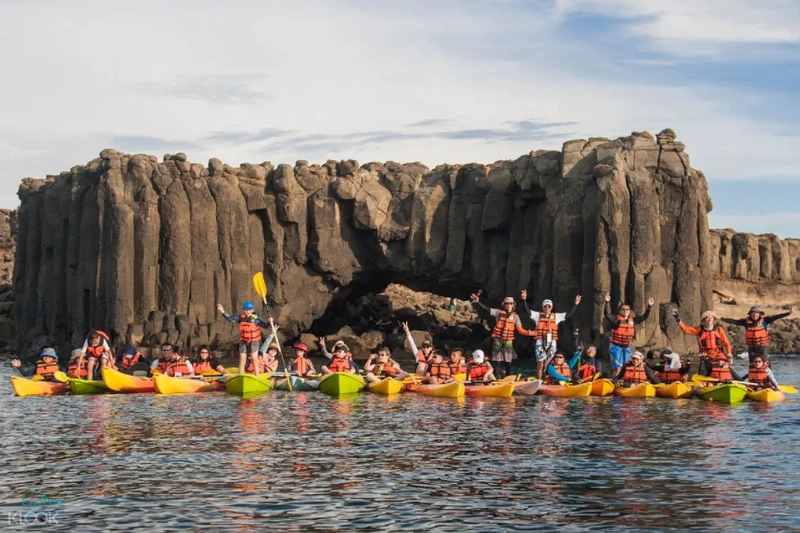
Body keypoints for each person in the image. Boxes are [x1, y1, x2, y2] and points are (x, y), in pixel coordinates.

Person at [469, 293, 536, 379]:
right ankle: (497, 378)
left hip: (508, 340)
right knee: (497, 361)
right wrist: (478, 302)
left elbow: (520, 330)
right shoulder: (498, 313)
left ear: (513, 305)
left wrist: (529, 333)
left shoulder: (515, 317)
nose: (509, 305)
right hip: (498, 339)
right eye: (507, 303)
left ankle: (508, 378)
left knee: (508, 362)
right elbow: (487, 310)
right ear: (504, 305)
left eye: (511, 303)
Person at [521, 290, 582, 381]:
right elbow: (528, 312)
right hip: (540, 341)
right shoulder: (538, 316)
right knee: (540, 363)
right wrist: (524, 300)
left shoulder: (556, 316)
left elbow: (568, 314)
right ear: (542, 307)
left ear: (551, 307)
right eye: (545, 306)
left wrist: (575, 304)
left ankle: (547, 378)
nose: (547, 308)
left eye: (549, 306)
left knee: (548, 363)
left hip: (552, 342)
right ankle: (539, 381)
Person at [675, 309, 740, 382]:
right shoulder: (699, 330)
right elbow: (685, 329)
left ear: (714, 320)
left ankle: (739, 381)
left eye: (711, 318)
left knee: (728, 370)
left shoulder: (719, 330)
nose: (709, 320)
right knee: (705, 371)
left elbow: (727, 343)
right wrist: (678, 319)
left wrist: (729, 353)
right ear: (704, 320)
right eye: (707, 318)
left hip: (718, 356)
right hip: (706, 356)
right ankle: (705, 383)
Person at [721, 305, 798, 363]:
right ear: (750, 314)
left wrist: (788, 313)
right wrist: (721, 318)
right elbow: (734, 321)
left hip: (762, 346)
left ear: (759, 314)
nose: (755, 315)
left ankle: (767, 377)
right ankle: (752, 377)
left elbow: (776, 317)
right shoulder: (745, 322)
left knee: (763, 363)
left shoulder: (765, 320)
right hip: (752, 347)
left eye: (757, 313)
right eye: (753, 313)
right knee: (752, 363)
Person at [218, 301, 272, 375]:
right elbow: (230, 319)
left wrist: (269, 322)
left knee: (254, 359)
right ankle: (241, 375)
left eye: (249, 310)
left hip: (254, 341)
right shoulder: (240, 318)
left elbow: (265, 326)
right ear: (244, 310)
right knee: (242, 359)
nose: (248, 311)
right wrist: (222, 311)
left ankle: (257, 376)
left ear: (252, 310)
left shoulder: (256, 318)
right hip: (243, 340)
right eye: (246, 310)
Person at [604, 293, 654, 372]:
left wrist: (649, 306)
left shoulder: (632, 321)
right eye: (623, 309)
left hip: (626, 348)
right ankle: (616, 379)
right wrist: (607, 302)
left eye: (627, 309)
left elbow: (644, 317)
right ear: (619, 311)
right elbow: (607, 314)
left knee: (626, 368)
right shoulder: (616, 320)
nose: (625, 311)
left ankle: (624, 380)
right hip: (616, 348)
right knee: (618, 369)